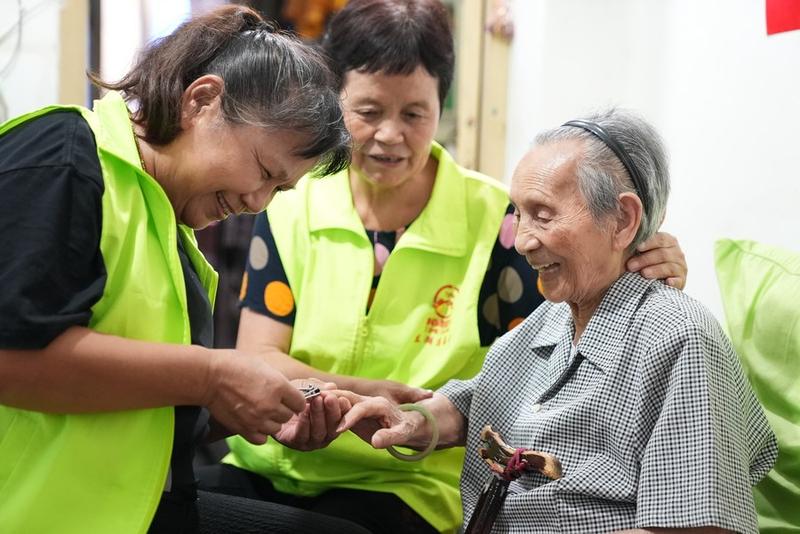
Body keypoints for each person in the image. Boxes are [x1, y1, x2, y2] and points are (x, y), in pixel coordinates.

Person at [200, 1, 689, 533]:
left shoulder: (502, 219)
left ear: (441, 105)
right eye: (368, 112)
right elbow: (259, 358)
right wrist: (364, 393)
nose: (390, 134)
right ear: (335, 101)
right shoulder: (291, 198)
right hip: (271, 462)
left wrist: (637, 257)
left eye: (414, 114)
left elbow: (558, 356)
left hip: (410, 481)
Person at [0, 6, 366, 534]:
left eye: (279, 189)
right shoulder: (67, 155)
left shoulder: (169, 228)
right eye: (263, 171)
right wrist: (211, 376)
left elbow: (146, 402)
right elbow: (12, 358)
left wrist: (256, 407)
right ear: (201, 100)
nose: (257, 202)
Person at [336, 109, 779, 533]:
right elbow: (485, 402)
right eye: (518, 213)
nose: (523, 241)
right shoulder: (552, 315)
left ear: (623, 219)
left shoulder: (680, 338)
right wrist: (411, 422)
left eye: (543, 215)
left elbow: (699, 528)